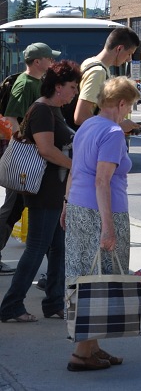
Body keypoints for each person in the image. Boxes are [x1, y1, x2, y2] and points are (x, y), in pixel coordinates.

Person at [63, 76, 140, 371]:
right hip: (103, 212)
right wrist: (108, 227)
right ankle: (81, 354)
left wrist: (67, 203)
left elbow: (75, 169)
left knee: (85, 276)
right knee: (100, 281)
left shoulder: (87, 126)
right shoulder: (112, 132)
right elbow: (102, 180)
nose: (129, 112)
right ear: (121, 103)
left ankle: (92, 346)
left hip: (80, 208)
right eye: (129, 105)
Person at [0, 61, 78, 323]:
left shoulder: (53, 109)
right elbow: (45, 149)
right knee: (36, 249)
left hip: (53, 191)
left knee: (58, 249)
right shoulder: (43, 110)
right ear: (58, 87)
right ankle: (11, 305)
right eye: (72, 86)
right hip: (43, 190)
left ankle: (54, 303)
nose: (75, 92)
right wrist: (76, 166)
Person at [0, 42, 60, 275]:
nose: (52, 62)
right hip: (27, 157)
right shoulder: (25, 84)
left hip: (34, 155)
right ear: (37, 62)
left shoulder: (38, 83)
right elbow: (12, 117)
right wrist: (28, 145)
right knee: (13, 208)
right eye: (49, 58)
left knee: (20, 208)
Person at [73, 27, 140, 132]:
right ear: (119, 49)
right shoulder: (98, 72)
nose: (129, 59)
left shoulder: (90, 62)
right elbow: (81, 116)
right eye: (129, 53)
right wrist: (118, 125)